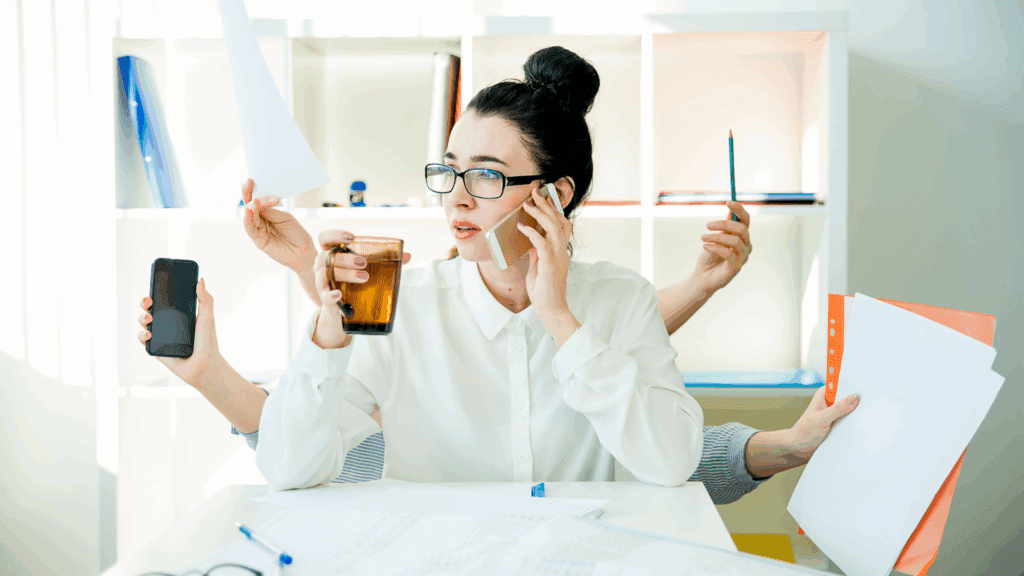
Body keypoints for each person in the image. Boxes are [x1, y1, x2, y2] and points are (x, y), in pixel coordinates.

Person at [138, 47, 859, 501]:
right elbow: (293, 464)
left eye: (485, 175)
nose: (455, 196)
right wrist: (329, 329)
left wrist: (560, 319)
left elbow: (671, 462)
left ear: (555, 195)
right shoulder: (401, 303)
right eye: (448, 171)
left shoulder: (618, 302)